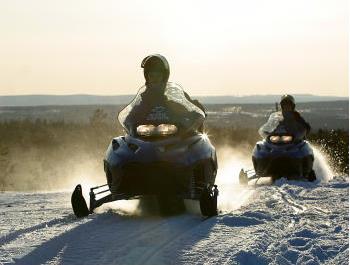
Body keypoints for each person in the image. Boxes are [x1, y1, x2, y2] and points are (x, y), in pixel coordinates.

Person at [140, 54, 206, 114]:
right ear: (147, 77)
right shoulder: (142, 103)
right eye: (151, 75)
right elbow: (131, 118)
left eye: (158, 75)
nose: (155, 79)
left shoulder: (175, 95)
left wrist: (197, 111)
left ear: (164, 76)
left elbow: (191, 107)